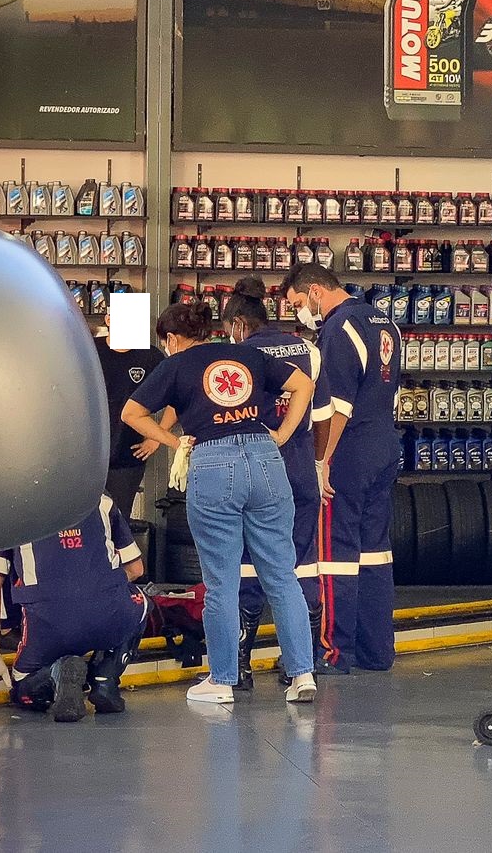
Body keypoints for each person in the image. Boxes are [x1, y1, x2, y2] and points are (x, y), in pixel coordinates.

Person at [121, 302, 318, 705]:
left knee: (221, 581)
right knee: (281, 574)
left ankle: (223, 680)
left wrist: (176, 442)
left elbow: (131, 412)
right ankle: (302, 675)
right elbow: (304, 386)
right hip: (266, 458)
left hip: (213, 461)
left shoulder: (175, 365)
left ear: (172, 338)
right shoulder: (249, 354)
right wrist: (280, 434)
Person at [281, 264, 403, 673]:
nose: (301, 312)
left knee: (334, 554)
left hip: (348, 450)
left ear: (316, 290)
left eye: (299, 303)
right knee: (375, 552)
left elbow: (337, 406)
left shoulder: (338, 328)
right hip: (385, 443)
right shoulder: (386, 323)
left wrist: (322, 462)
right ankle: (377, 651)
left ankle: (336, 653)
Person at [221, 278, 333, 690]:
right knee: (299, 563)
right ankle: (301, 663)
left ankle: (239, 666)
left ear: (237, 324)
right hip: (301, 470)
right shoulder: (308, 350)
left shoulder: (238, 355)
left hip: (256, 469)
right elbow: (322, 415)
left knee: (247, 563)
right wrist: (318, 464)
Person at [0, 495, 150, 723]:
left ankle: (54, 677)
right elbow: (136, 569)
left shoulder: (3, 512)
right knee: (141, 603)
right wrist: (101, 588)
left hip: (47, 625)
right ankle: (106, 678)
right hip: (108, 614)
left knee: (22, 690)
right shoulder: (101, 502)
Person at [95, 307, 175, 517]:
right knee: (84, 524)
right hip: (89, 457)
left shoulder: (149, 356)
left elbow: (179, 395)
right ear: (109, 319)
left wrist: (156, 437)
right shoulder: (90, 350)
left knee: (119, 520)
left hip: (127, 456)